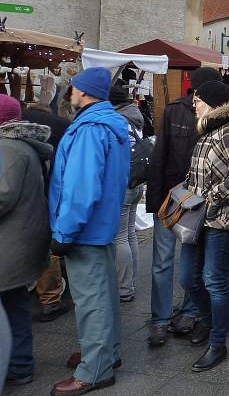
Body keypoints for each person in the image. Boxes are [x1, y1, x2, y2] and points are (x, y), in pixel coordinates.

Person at [49, 68, 130, 396]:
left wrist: (64, 233)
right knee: (103, 293)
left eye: (74, 87)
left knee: (91, 299)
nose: (70, 92)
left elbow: (80, 188)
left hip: (84, 229)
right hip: (100, 225)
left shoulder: (89, 129)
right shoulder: (110, 124)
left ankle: (95, 369)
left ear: (83, 92)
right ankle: (105, 353)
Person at [145, 67, 222, 347]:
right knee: (162, 262)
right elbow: (160, 154)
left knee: (192, 263)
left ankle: (189, 312)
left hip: (199, 202)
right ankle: (160, 319)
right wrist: (154, 201)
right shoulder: (175, 111)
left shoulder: (219, 116)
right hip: (170, 197)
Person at [179, 81, 229, 372]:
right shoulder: (206, 130)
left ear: (211, 103)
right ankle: (210, 323)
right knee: (187, 278)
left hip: (221, 220)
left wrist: (212, 199)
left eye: (198, 100)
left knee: (214, 281)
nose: (194, 105)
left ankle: (217, 344)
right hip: (195, 218)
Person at [0, 95, 52, 387]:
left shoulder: (7, 148)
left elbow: (2, 196)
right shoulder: (20, 146)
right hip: (18, 241)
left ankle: (18, 364)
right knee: (16, 302)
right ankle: (20, 363)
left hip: (9, 244)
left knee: (12, 305)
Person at [22, 97, 72, 322]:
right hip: (46, 190)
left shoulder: (18, 123)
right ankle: (50, 299)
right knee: (46, 244)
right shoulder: (61, 124)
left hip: (24, 194)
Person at [109, 85, 145, 303]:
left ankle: (124, 287)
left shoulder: (118, 120)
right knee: (130, 232)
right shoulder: (134, 117)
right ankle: (130, 281)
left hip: (123, 182)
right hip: (136, 182)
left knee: (120, 235)